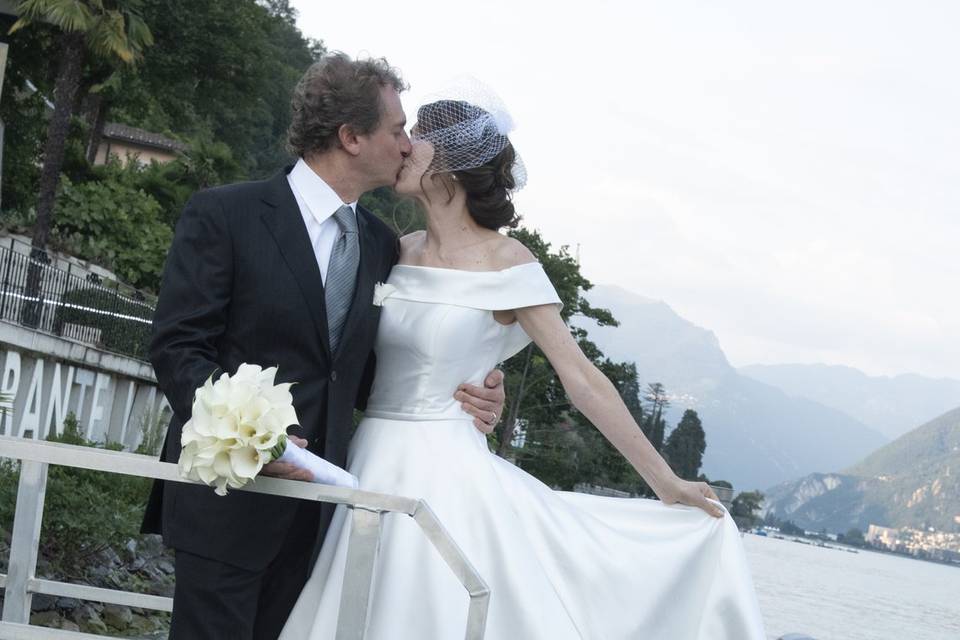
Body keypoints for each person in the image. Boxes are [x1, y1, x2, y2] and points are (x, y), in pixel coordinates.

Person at [280, 91, 766, 639]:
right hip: (367, 457)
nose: (403, 146)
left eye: (417, 137)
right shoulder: (394, 249)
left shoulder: (509, 262)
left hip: (449, 472)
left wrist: (665, 480)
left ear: (452, 165)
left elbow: (581, 377)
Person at [142, 55, 507, 640]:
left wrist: (470, 385)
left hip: (322, 521)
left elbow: (370, 370)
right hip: (228, 500)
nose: (410, 145)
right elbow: (178, 347)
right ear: (351, 137)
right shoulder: (226, 214)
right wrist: (251, 439)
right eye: (397, 130)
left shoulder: (382, 243)